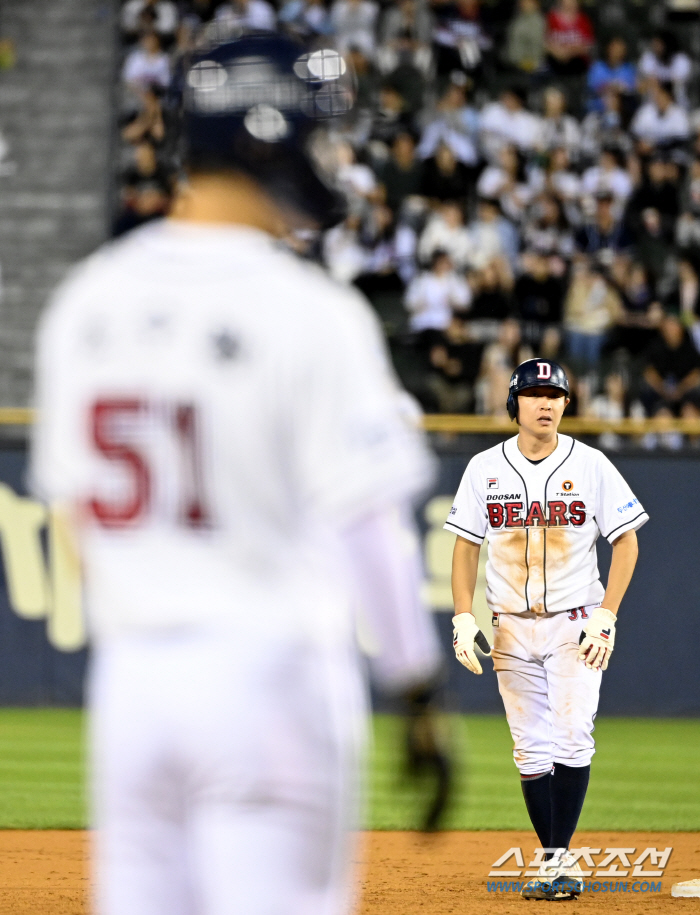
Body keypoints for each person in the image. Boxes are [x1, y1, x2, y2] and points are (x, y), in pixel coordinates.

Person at [31, 34, 447, 915]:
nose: (332, 153)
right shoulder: (309, 310)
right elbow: (368, 525)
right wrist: (416, 688)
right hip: (272, 675)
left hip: (134, 689)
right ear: (271, 135)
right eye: (320, 130)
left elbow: (72, 518)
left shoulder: (87, 299)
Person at [445, 358, 648, 900]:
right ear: (515, 404)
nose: (545, 403)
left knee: (573, 733)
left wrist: (607, 614)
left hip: (576, 622)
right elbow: (467, 547)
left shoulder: (592, 464)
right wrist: (464, 615)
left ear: (564, 403)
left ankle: (557, 861)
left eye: (554, 394)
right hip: (510, 626)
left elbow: (625, 540)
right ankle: (554, 858)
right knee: (530, 750)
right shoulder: (485, 467)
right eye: (534, 393)